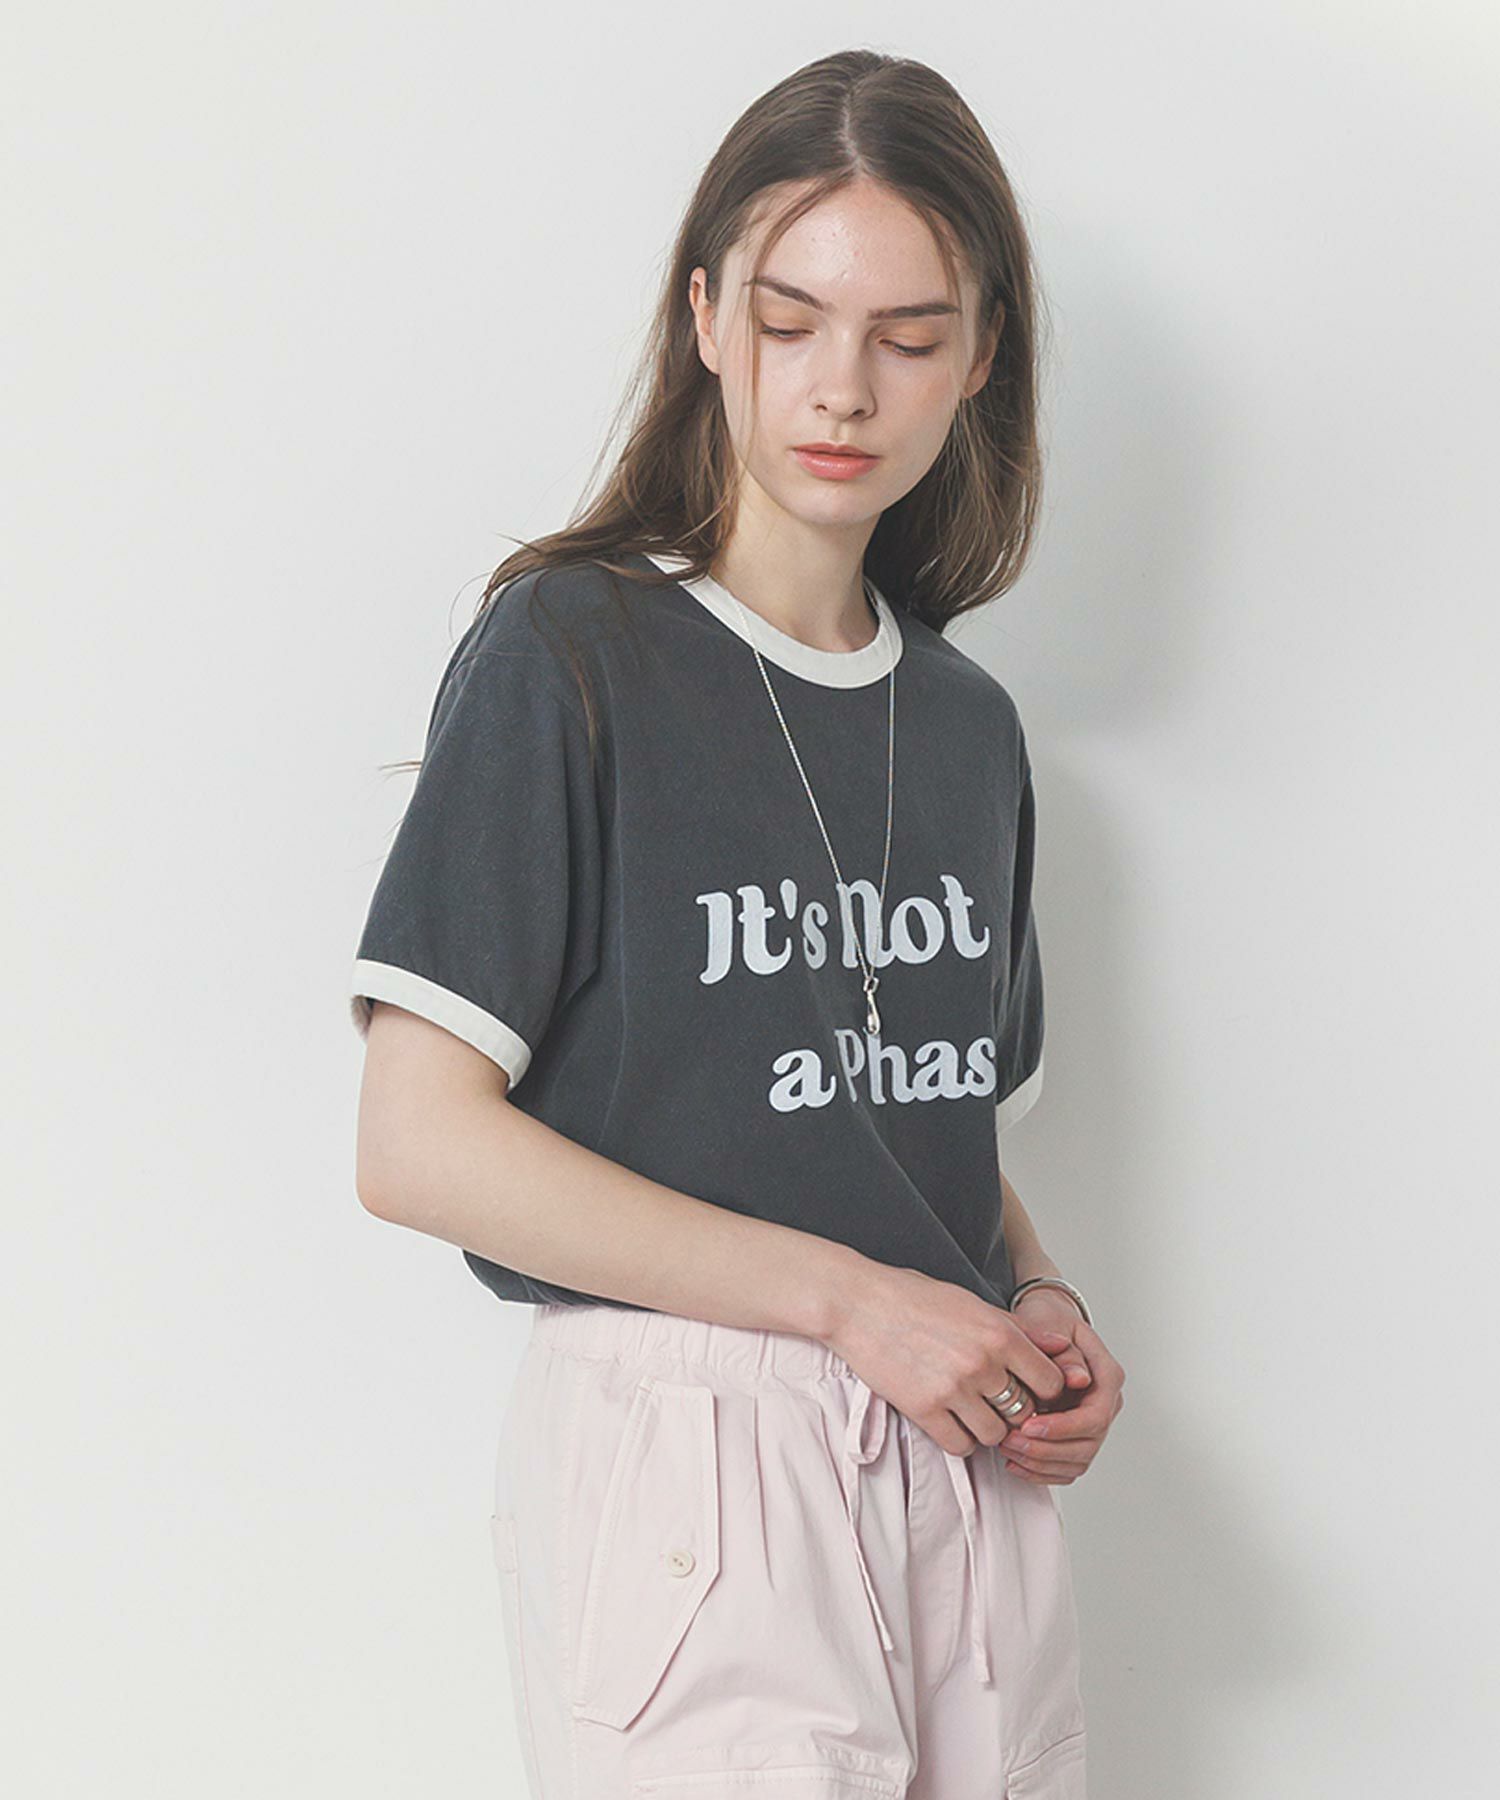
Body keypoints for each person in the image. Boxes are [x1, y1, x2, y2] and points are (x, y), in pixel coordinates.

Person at [348, 46, 1124, 1800]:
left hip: (959, 1452)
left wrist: (1037, 1295)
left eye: (908, 337)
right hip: (698, 1455)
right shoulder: (574, 655)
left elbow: (914, 1117)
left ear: (980, 359)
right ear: (704, 317)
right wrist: (851, 1305)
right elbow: (415, 1143)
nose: (842, 387)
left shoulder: (968, 726)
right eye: (790, 321)